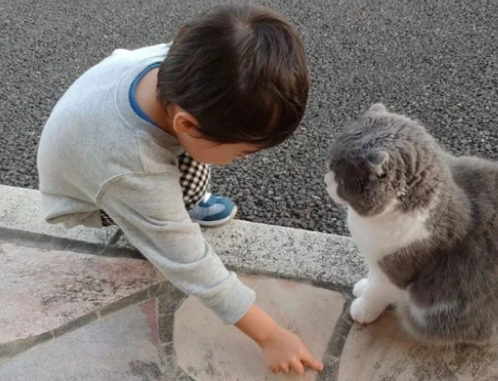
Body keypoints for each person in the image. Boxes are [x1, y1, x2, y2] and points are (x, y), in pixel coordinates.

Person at [37, 4, 322, 376]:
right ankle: (175, 209)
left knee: (184, 163)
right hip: (85, 198)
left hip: (98, 142)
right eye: (240, 153)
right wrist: (270, 335)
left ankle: (176, 200)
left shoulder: (185, 66)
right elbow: (190, 263)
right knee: (167, 222)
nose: (242, 159)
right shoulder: (132, 169)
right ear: (185, 123)